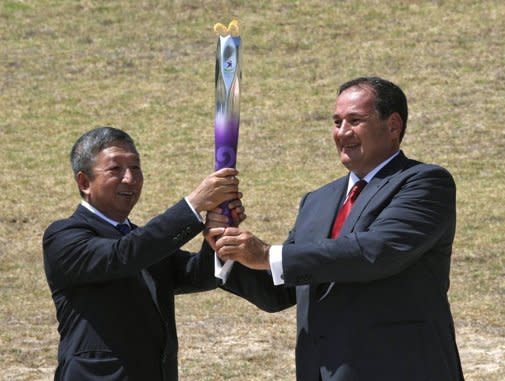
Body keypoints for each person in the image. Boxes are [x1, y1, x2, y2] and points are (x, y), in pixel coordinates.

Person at [208, 77, 465, 381]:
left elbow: (375, 252)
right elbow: (280, 289)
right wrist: (226, 247)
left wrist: (267, 254)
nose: (342, 132)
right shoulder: (317, 201)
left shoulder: (424, 183)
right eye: (336, 121)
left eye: (355, 120)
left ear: (393, 125)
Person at [43, 126, 243, 381]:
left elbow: (197, 275)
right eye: (115, 169)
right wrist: (193, 205)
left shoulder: (142, 241)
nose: (130, 178)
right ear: (84, 182)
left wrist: (218, 232)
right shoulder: (64, 237)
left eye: (135, 168)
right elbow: (122, 256)